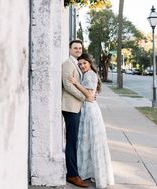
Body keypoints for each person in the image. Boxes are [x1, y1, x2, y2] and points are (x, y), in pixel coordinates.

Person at [69, 53, 114, 189]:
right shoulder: (88, 74)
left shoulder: (90, 75)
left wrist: (76, 83)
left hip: (90, 110)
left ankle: (86, 172)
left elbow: (89, 94)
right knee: (86, 141)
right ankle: (85, 171)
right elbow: (90, 94)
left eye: (84, 63)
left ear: (89, 63)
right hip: (87, 108)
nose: (82, 66)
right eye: (80, 64)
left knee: (91, 141)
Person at [62, 40, 93, 188]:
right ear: (69, 49)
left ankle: (74, 172)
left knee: (74, 141)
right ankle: (72, 175)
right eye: (75, 48)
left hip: (77, 107)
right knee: (71, 141)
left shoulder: (77, 63)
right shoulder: (68, 63)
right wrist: (84, 97)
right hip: (70, 107)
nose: (78, 50)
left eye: (80, 48)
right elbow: (67, 86)